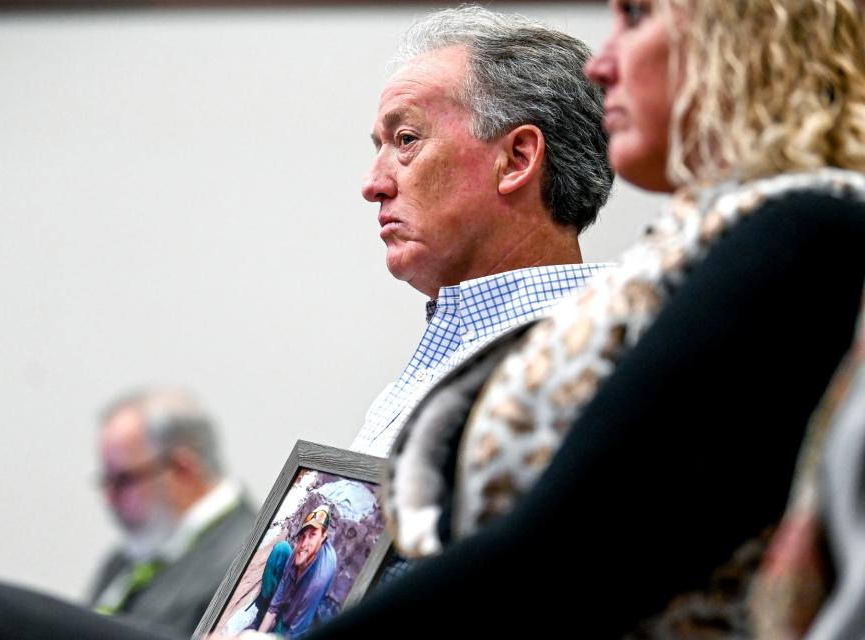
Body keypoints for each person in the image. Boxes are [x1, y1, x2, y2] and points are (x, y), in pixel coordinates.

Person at [295, 0, 865, 638]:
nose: (600, 64)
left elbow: (566, 554)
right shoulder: (699, 250)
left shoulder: (802, 234)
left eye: (637, 17)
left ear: (742, 36)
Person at [349, 5, 614, 459]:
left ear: (516, 159)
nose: (373, 185)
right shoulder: (411, 386)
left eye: (406, 140)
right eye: (380, 147)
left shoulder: (600, 360)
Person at [89, 390, 257, 638]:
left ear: (183, 469)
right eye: (106, 481)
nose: (109, 497)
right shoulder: (128, 556)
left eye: (123, 480)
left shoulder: (248, 562)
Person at [256, 506, 338, 639]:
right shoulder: (299, 549)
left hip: (304, 618)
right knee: (281, 549)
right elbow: (277, 601)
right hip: (290, 597)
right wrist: (259, 635)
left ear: (323, 536)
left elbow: (297, 631)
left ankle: (280, 624)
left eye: (312, 535)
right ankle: (262, 613)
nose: (304, 543)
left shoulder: (319, 578)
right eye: (303, 535)